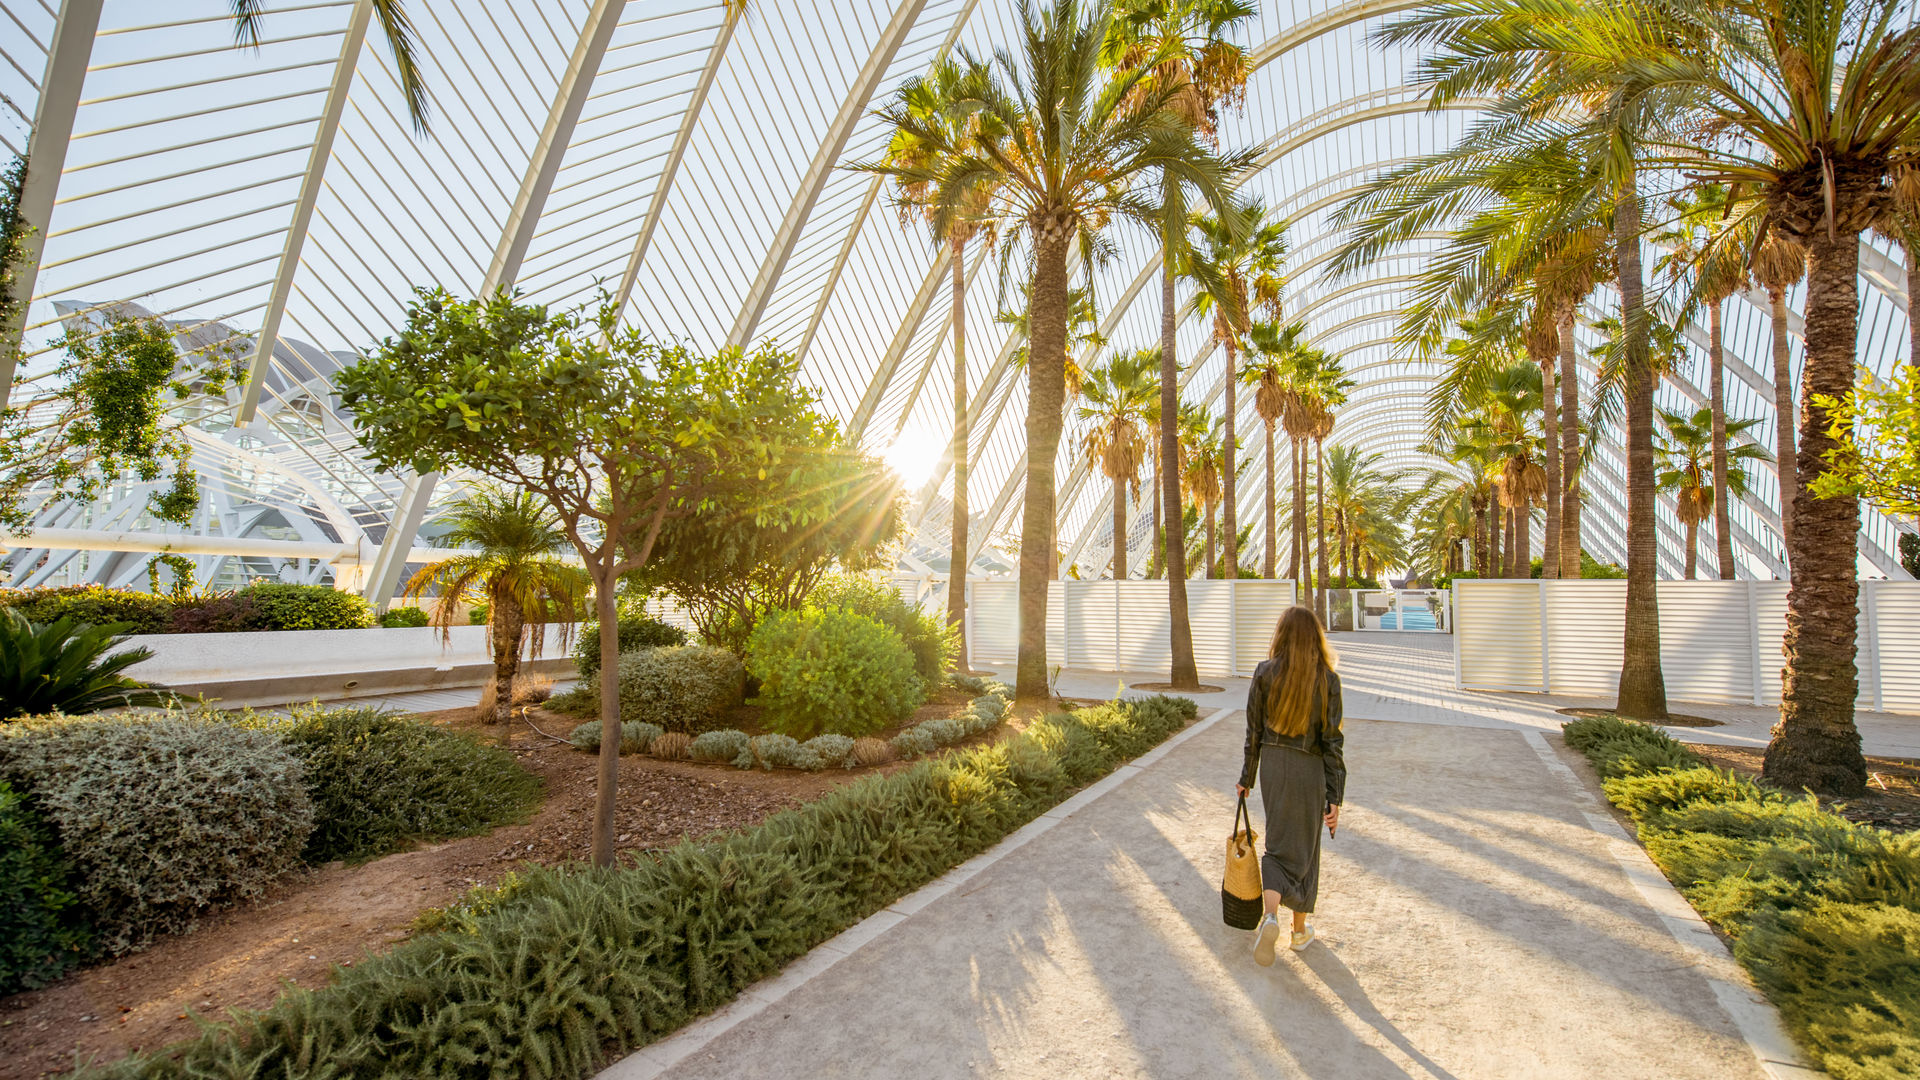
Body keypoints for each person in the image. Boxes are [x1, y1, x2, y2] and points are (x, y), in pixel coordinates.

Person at [1235, 605, 1346, 965]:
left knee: (1278, 844)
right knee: (1307, 850)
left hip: (1273, 765)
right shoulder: (1327, 679)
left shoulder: (1264, 672)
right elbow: (1332, 741)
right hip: (1309, 769)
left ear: (1281, 634)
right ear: (1315, 637)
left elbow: (1253, 731)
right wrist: (1334, 796)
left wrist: (1247, 778)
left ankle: (1270, 917)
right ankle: (1299, 932)